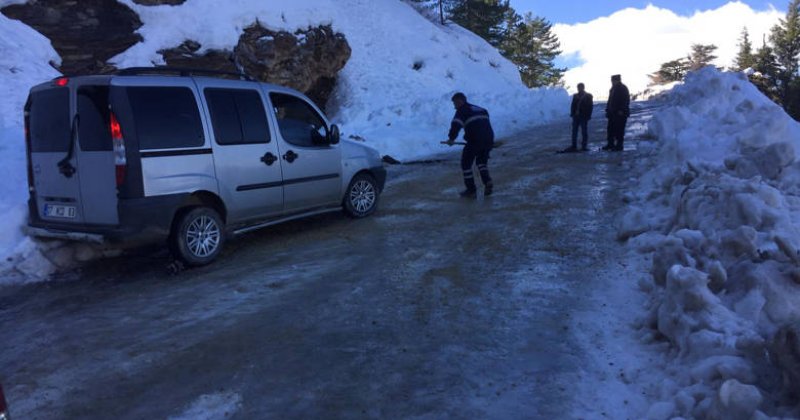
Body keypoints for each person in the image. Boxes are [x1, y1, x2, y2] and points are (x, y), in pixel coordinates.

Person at [446, 92, 494, 198]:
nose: (454, 107)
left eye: (454, 103)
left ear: (459, 101)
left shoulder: (462, 110)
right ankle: (487, 182)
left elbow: (456, 125)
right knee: (481, 162)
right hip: (489, 139)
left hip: (475, 141)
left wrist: (451, 139)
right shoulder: (481, 109)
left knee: (466, 164)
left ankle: (471, 190)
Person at [603, 74, 630, 151]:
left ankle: (619, 145)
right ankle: (610, 144)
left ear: (618, 80)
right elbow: (610, 101)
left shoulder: (623, 88)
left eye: (614, 80)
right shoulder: (612, 89)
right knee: (610, 129)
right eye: (612, 81)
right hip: (612, 113)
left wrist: (621, 110)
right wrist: (608, 110)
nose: (612, 82)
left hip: (620, 114)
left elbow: (626, 100)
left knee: (619, 130)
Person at [564, 82, 593, 152]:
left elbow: (590, 107)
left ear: (583, 87)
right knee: (574, 132)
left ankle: (584, 146)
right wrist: (572, 113)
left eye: (580, 87)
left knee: (584, 132)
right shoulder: (575, 96)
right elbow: (573, 105)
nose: (579, 89)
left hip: (583, 116)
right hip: (576, 116)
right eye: (578, 87)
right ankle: (574, 145)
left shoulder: (588, 96)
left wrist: (588, 115)